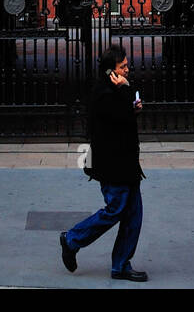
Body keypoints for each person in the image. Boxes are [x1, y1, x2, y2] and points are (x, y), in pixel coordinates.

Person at [59, 44, 147, 281]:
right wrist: (128, 95)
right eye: (123, 66)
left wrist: (132, 106)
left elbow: (125, 117)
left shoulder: (115, 92)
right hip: (113, 165)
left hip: (126, 164)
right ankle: (72, 239)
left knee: (133, 215)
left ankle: (120, 264)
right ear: (111, 71)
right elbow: (120, 118)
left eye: (127, 65)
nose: (127, 70)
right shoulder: (104, 94)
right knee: (115, 210)